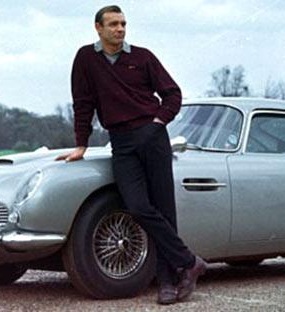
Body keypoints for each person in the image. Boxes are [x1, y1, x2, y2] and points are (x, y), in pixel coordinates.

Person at [55, 5, 206, 305]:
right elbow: (82, 102)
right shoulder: (86, 58)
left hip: (152, 138)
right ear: (98, 28)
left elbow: (172, 94)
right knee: (137, 206)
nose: (120, 29)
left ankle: (167, 282)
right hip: (121, 141)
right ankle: (189, 262)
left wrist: (157, 123)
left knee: (164, 209)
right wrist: (81, 144)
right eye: (113, 24)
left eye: (123, 23)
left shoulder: (143, 57)